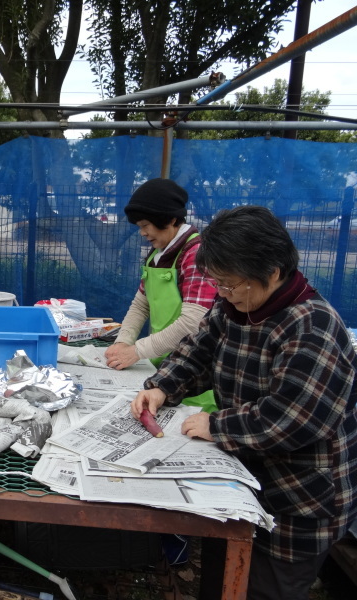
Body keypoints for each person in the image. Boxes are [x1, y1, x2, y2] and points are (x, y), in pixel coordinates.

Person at [131, 205, 357, 600]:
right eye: (219, 283)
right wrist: (162, 387)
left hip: (299, 500)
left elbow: (294, 418)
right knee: (223, 578)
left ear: (272, 272)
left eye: (231, 284)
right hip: (243, 480)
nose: (223, 293)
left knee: (264, 588)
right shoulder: (235, 304)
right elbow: (198, 351)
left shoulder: (312, 326)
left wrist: (217, 426)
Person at [105, 178, 217, 412]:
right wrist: (124, 341)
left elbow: (192, 322)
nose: (143, 233)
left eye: (146, 225)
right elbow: (140, 304)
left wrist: (136, 351)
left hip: (193, 376)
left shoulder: (196, 255)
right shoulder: (158, 255)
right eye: (139, 226)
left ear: (171, 219)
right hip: (162, 368)